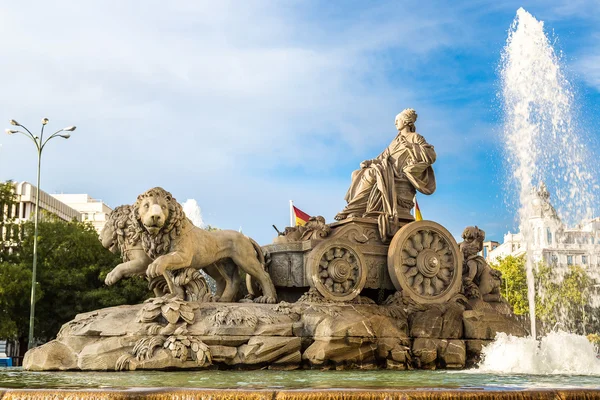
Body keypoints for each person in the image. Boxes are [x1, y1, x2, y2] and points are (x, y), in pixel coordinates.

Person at [335, 109, 436, 227]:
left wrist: (411, 146)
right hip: (387, 169)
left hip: (398, 173)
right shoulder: (395, 141)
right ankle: (357, 209)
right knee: (356, 173)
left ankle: (352, 209)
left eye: (397, 120)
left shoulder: (415, 137)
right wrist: (370, 161)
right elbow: (384, 156)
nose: (395, 123)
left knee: (371, 174)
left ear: (405, 121)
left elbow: (431, 155)